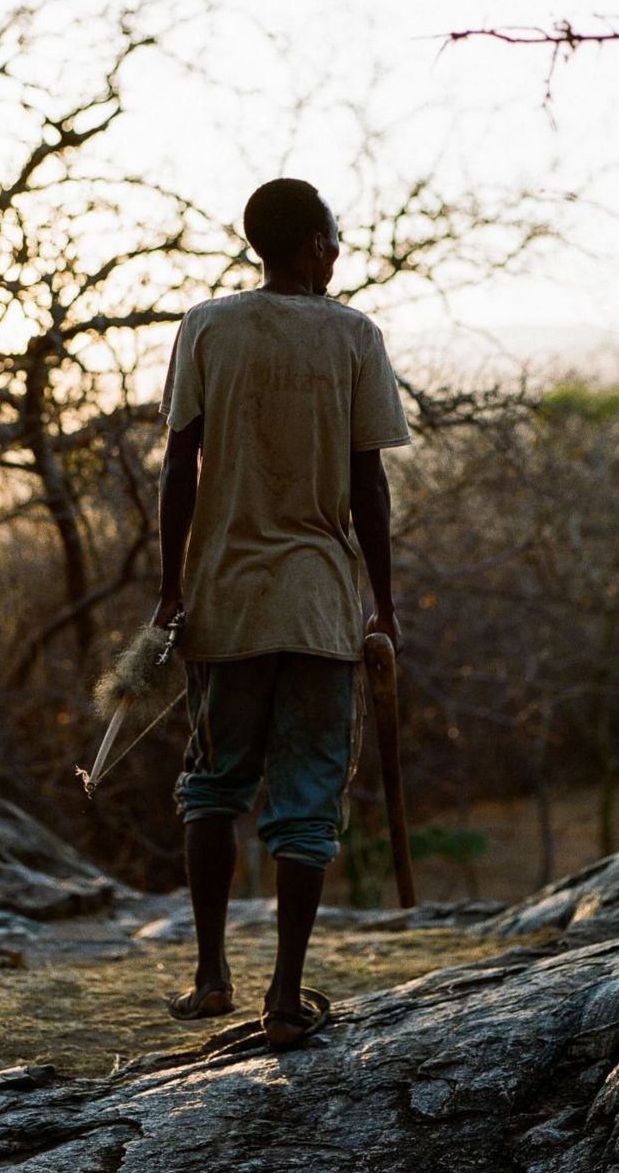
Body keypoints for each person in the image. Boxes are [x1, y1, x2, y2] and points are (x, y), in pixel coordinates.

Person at [151, 176, 410, 1051]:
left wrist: (171, 587)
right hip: (319, 606)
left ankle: (210, 975)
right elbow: (368, 484)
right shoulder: (355, 336)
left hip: (226, 598)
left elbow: (178, 463)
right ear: (310, 246)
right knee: (306, 804)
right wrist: (383, 604)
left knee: (212, 785)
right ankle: (286, 997)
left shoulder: (207, 327)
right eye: (333, 236)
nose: (338, 251)